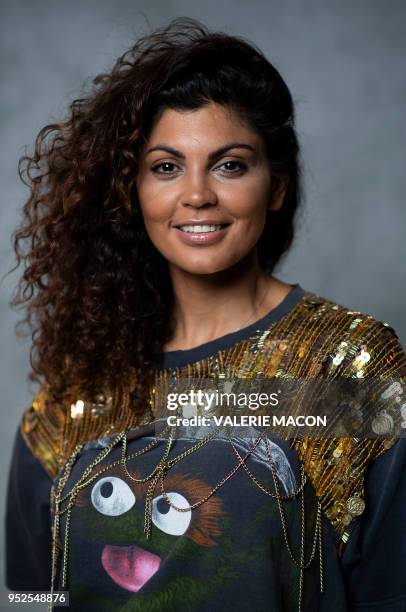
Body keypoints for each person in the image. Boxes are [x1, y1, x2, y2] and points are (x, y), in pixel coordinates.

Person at [4, 16, 406, 612]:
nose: (197, 194)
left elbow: (390, 592)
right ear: (132, 192)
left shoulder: (345, 367)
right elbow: (31, 597)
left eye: (230, 164)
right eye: (166, 167)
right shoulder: (74, 398)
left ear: (276, 186)